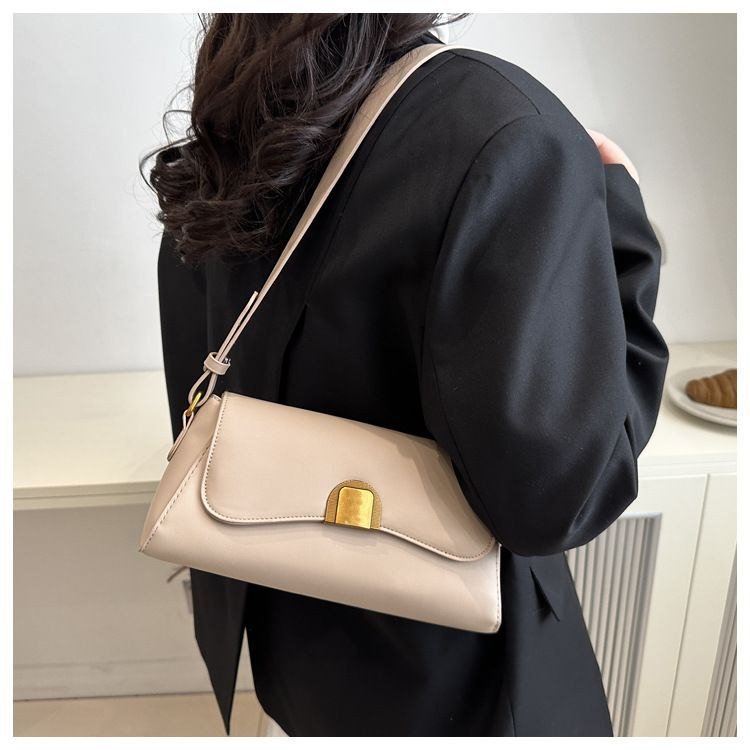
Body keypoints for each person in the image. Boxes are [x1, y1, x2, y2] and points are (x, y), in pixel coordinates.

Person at [143, 13, 669, 737]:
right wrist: (624, 225)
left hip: (285, 636)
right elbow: (562, 497)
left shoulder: (238, 105)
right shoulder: (504, 132)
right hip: (452, 677)